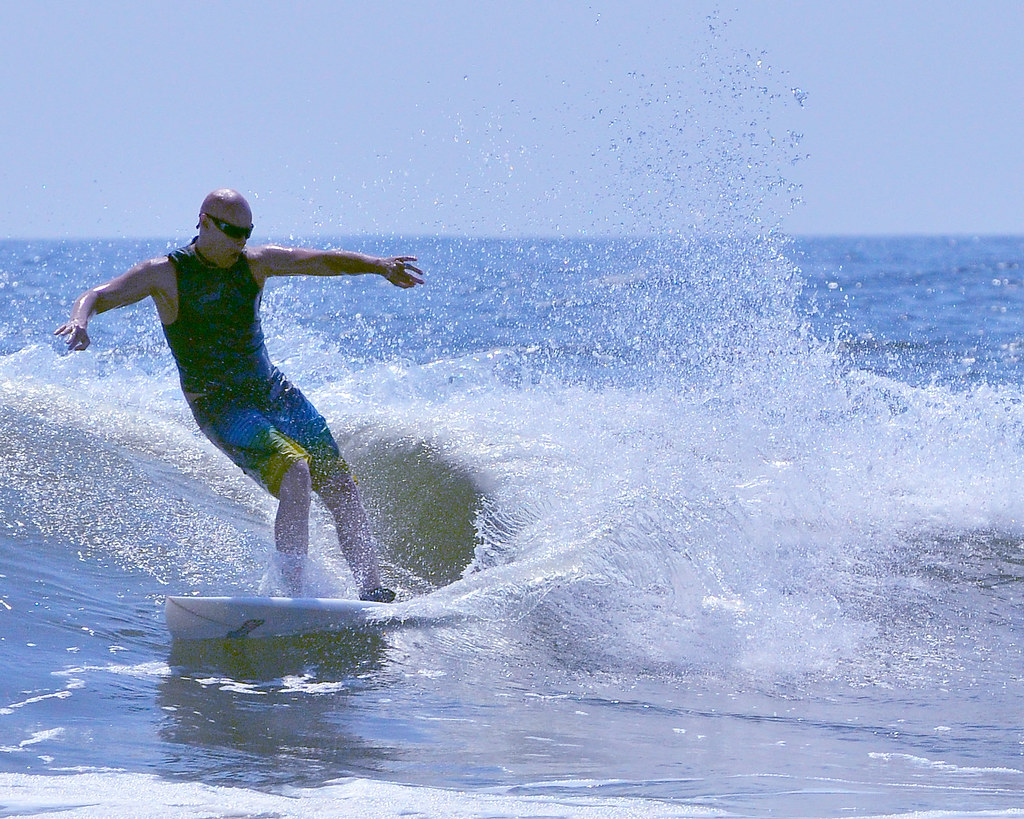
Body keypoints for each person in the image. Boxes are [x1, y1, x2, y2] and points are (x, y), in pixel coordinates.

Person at [54, 189, 423, 602]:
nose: (241, 242)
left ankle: (373, 592)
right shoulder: (165, 274)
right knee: (295, 470)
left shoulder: (254, 264)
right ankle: (293, 598)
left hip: (273, 392)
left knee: (341, 485)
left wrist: (378, 266)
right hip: (220, 405)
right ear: (205, 222)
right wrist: (79, 320)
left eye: (247, 233)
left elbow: (320, 261)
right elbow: (100, 295)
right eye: (232, 232)